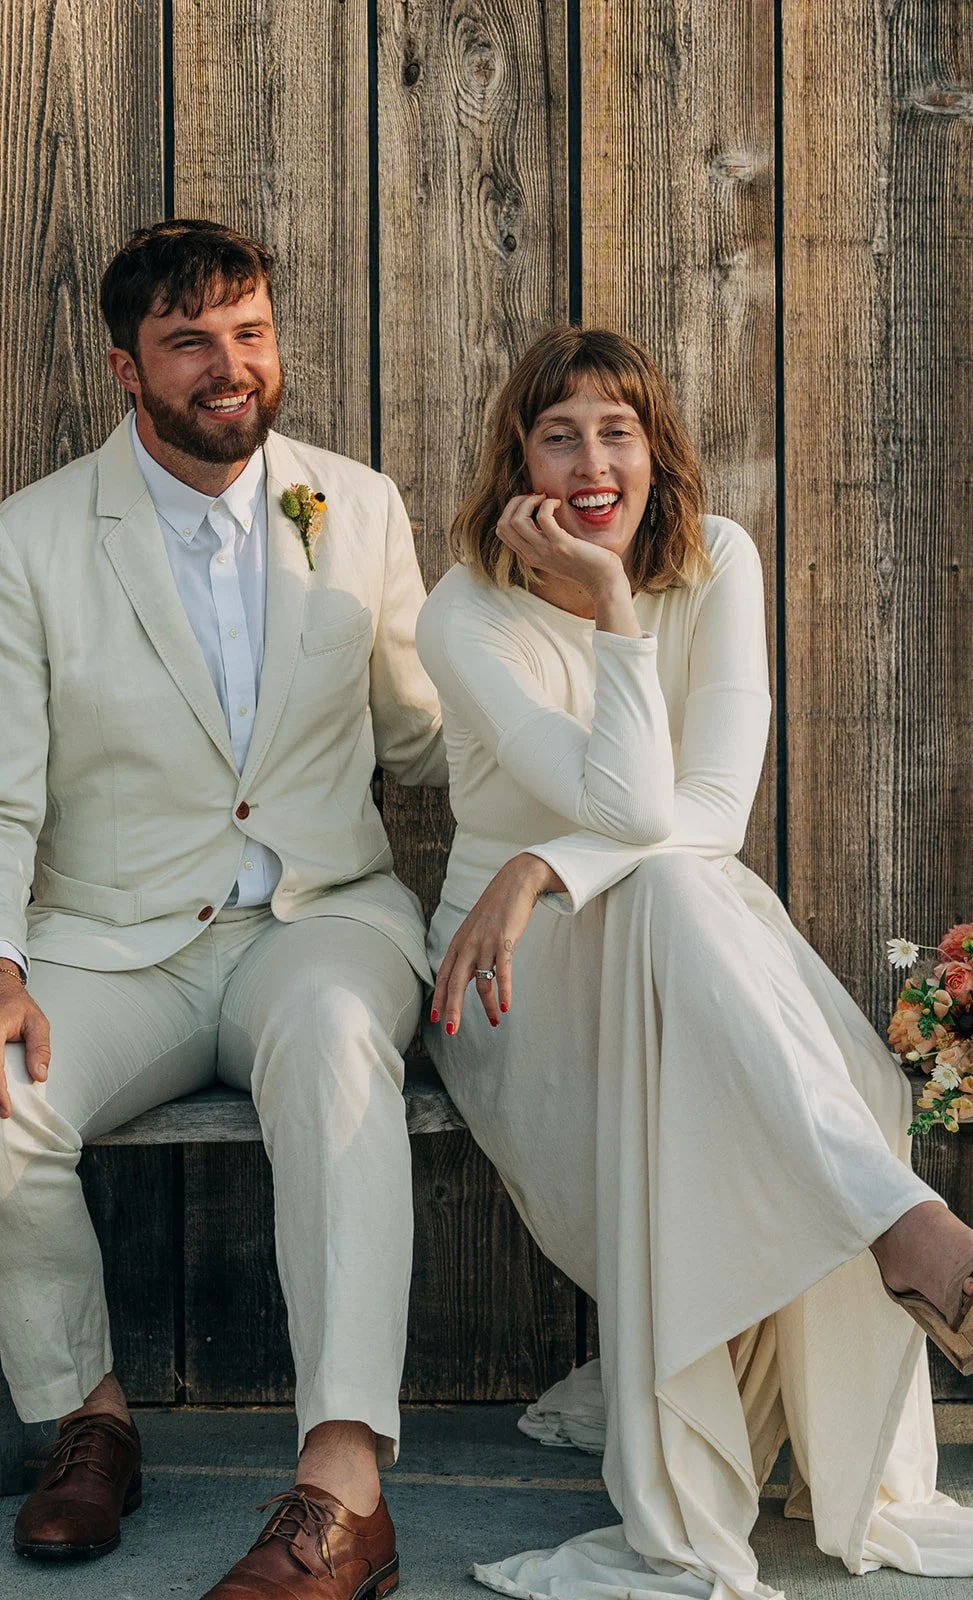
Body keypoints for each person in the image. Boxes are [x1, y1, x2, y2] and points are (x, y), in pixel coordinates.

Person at [416, 326, 973, 1596]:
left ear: (654, 447)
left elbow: (712, 810)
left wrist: (543, 864)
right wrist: (612, 607)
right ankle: (899, 1222)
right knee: (670, 875)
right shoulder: (466, 610)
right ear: (515, 458)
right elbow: (624, 800)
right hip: (514, 984)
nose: (588, 461)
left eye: (614, 430)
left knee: (684, 879)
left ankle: (883, 1223)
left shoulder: (719, 557)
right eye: (556, 433)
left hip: (677, 948)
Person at [0, 219, 443, 1599]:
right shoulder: (30, 538)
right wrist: (2, 958)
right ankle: (91, 1422)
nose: (230, 366)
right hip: (113, 938)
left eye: (250, 332)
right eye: (192, 342)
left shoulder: (355, 506)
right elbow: (4, 784)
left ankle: (339, 1487)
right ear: (125, 367)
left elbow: (426, 738)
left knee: (331, 1046)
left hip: (319, 920)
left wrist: (581, 673)